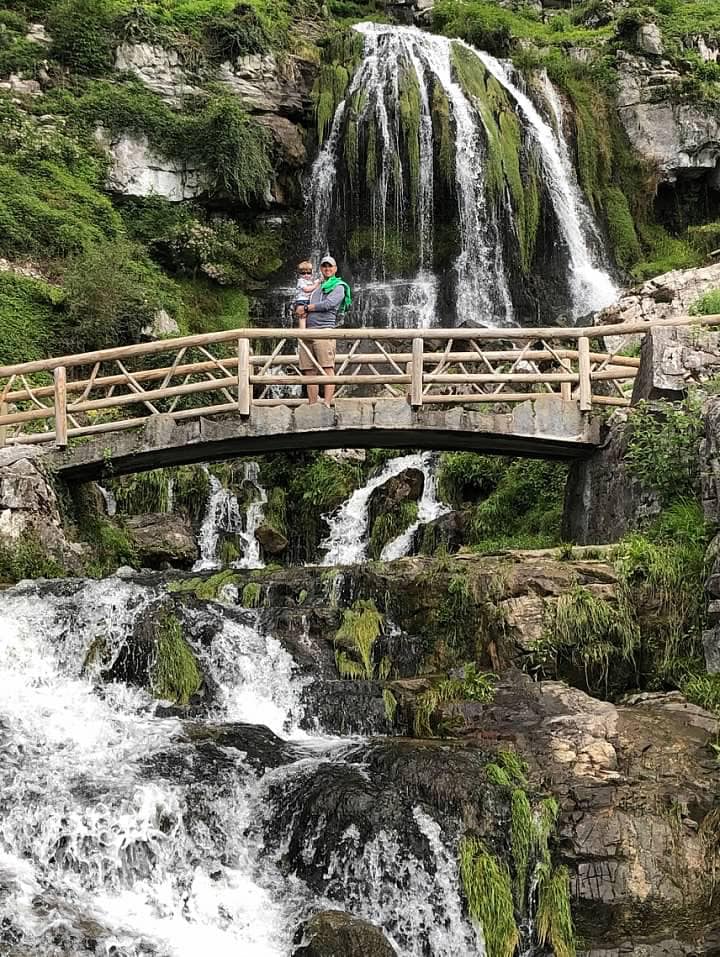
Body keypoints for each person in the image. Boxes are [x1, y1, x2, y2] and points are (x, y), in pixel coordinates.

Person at [297, 255, 351, 406]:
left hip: (324, 332)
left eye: (330, 266)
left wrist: (306, 308)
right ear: (320, 268)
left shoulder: (339, 286)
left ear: (335, 269)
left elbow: (329, 304)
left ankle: (327, 403)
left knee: (327, 368)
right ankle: (312, 404)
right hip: (307, 331)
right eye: (324, 266)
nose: (327, 269)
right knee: (309, 371)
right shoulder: (316, 287)